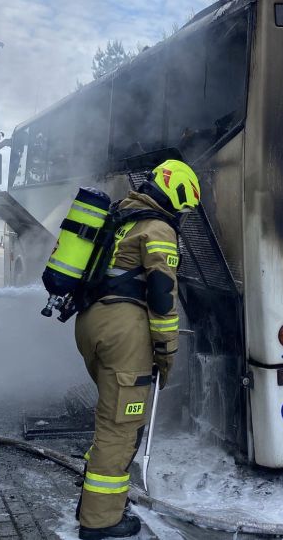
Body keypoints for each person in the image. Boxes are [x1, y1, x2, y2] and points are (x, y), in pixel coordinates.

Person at [74, 159, 200, 539]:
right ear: (176, 193)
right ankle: (100, 521)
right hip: (124, 331)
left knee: (111, 417)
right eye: (185, 206)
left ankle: (99, 502)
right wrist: (166, 353)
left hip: (92, 323)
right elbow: (162, 297)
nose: (183, 214)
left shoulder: (121, 217)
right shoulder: (158, 228)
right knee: (121, 425)